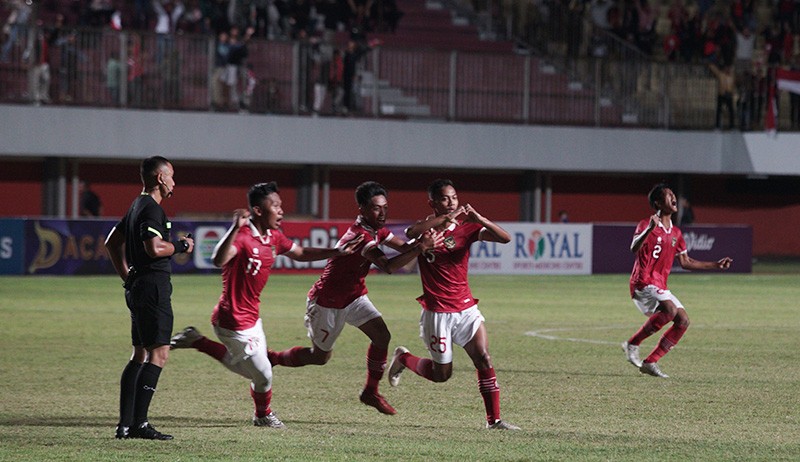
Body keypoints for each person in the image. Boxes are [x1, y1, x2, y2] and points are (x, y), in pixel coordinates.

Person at [169, 182, 364, 428]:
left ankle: (196, 340)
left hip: (253, 318)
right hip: (232, 320)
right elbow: (218, 259)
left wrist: (337, 252)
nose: (281, 211)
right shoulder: (242, 237)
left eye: (281, 205)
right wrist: (233, 228)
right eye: (275, 206)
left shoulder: (274, 237)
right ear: (259, 211)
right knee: (262, 375)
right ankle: (262, 415)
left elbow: (300, 253)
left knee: (255, 370)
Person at [267, 181, 440, 415]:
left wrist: (426, 239)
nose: (382, 213)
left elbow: (404, 248)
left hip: (354, 296)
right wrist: (420, 248)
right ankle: (273, 358)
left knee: (382, 336)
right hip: (327, 301)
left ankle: (370, 392)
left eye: (385, 208)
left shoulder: (377, 230)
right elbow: (389, 265)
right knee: (319, 357)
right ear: (362, 209)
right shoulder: (360, 237)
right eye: (376, 208)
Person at [387, 179, 520, 430]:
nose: (451, 203)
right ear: (433, 203)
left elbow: (505, 238)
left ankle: (495, 420)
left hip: (466, 309)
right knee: (442, 375)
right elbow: (410, 234)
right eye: (446, 199)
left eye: (454, 198)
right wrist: (444, 221)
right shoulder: (426, 231)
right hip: (438, 312)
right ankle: (404, 358)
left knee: (483, 358)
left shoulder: (467, 228)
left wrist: (479, 219)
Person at [104, 156, 195, 440]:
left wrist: (126, 274)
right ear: (160, 178)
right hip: (153, 288)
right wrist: (182, 245)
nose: (174, 183)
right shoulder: (151, 209)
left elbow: (111, 242)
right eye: (172, 176)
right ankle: (139, 424)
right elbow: (155, 248)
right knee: (159, 353)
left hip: (138, 287)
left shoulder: (135, 205)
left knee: (139, 354)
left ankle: (125, 425)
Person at [622, 183, 732, 378]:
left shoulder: (676, 233)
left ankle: (650, 361)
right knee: (670, 310)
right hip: (643, 282)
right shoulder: (646, 224)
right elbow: (633, 248)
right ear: (658, 203)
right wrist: (649, 229)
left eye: (674, 194)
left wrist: (716, 265)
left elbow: (686, 262)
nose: (674, 198)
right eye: (668, 195)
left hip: (660, 285)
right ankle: (633, 343)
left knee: (683, 321)